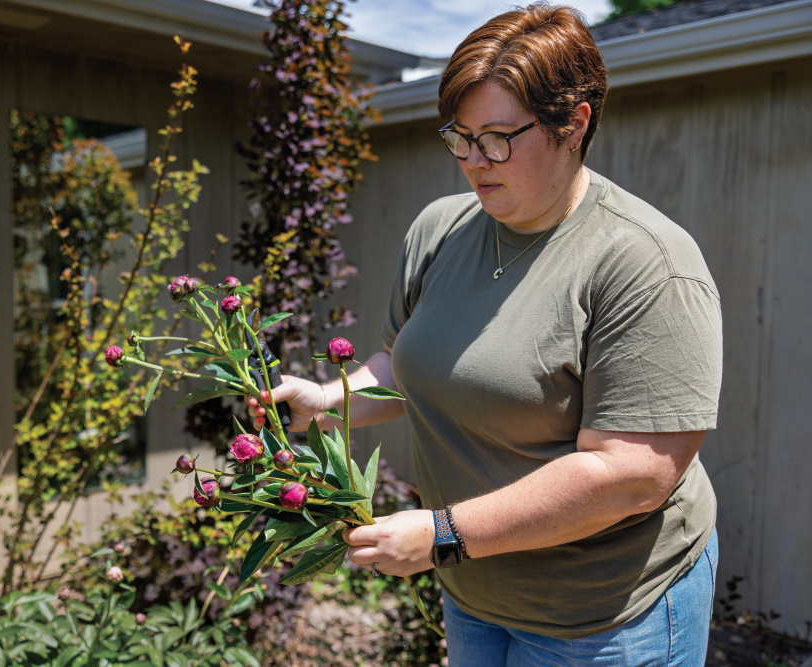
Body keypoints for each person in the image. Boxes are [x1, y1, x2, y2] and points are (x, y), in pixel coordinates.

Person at [249, 3, 722, 664]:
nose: (473, 161)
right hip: (476, 593)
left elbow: (632, 475)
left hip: (603, 614)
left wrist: (444, 533)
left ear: (574, 124)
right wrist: (328, 402)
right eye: (459, 136)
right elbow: (407, 365)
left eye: (498, 137)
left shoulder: (645, 265)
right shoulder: (441, 230)